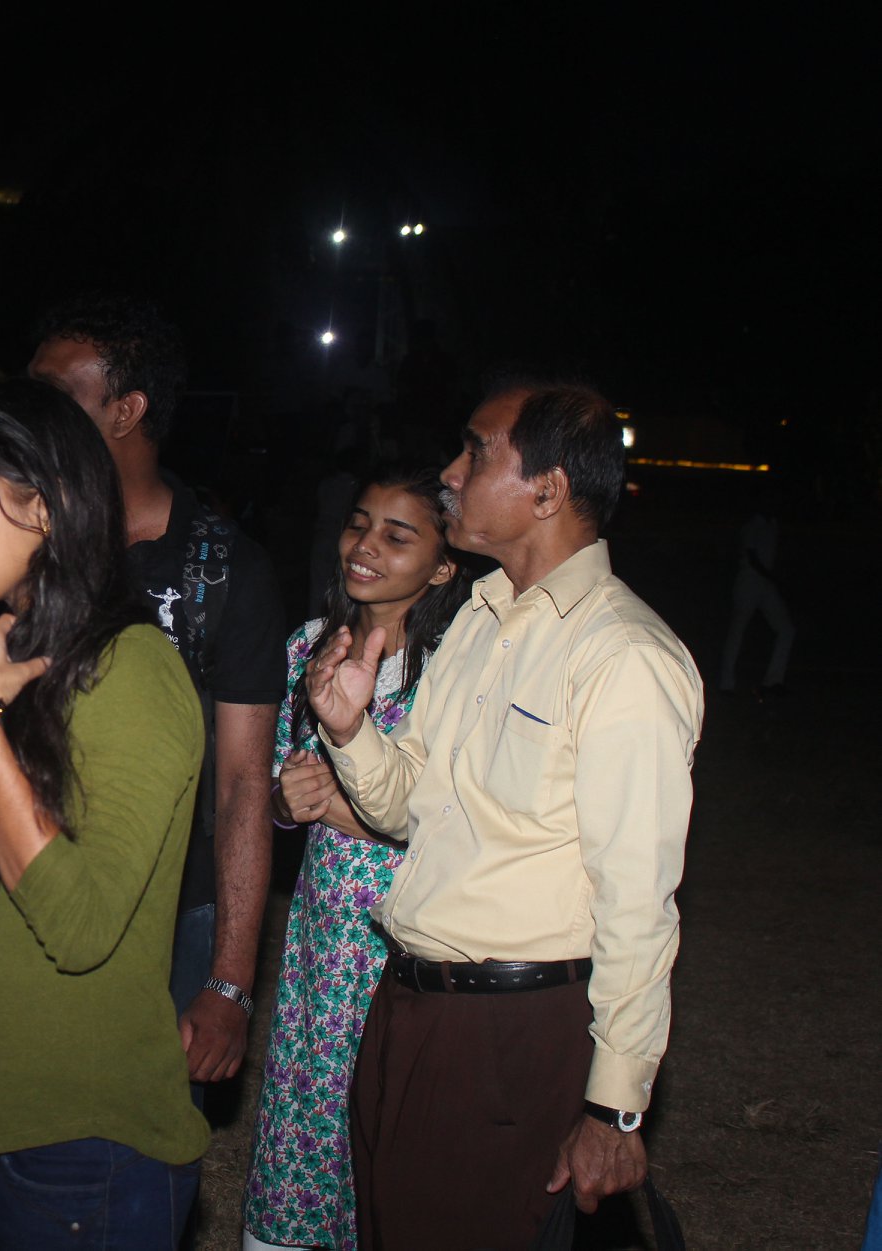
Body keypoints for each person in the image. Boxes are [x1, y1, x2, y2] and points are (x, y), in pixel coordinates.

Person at [305, 374, 704, 1249]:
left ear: (549, 489)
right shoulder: (482, 619)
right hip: (409, 1004)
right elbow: (412, 806)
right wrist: (349, 729)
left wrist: (614, 1109)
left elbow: (639, 904)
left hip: (513, 1036)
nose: (451, 470)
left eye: (478, 450)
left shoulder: (623, 657)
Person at [0, 296, 284, 1096]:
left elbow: (240, 787)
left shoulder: (224, 570)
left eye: (56, 393)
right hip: (7, 878)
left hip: (175, 903)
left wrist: (230, 979)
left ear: (128, 410)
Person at [0, 380, 208, 1250]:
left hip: (84, 1158)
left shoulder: (133, 671)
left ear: (45, 507)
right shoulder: (11, 664)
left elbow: (79, 924)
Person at [243, 467, 468, 1251]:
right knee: (311, 1110)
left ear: (444, 564)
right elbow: (267, 791)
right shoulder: (309, 645)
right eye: (359, 524)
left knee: (392, 1131)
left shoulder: (460, 671)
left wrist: (338, 806)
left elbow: (468, 822)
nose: (364, 546)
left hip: (405, 945)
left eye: (396, 535)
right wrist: (285, 799)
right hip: (321, 942)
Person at [718, 483, 794, 698]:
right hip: (750, 582)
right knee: (738, 629)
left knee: (786, 629)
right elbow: (751, 557)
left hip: (765, 583)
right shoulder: (753, 525)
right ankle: (726, 684)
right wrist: (774, 577)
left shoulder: (773, 524)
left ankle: (774, 680)